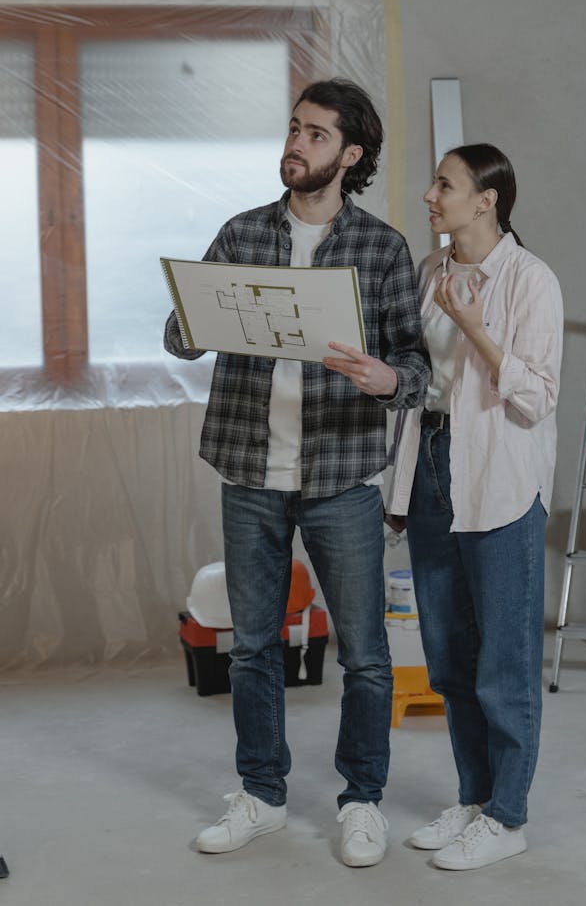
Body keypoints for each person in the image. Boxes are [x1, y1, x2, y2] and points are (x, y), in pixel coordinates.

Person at [164, 78, 430, 867]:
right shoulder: (241, 233)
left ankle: (362, 799)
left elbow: (414, 365)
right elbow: (180, 337)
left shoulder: (381, 248)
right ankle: (261, 794)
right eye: (293, 128)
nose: (296, 144)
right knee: (251, 646)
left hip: (343, 476)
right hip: (250, 470)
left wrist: (387, 379)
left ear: (349, 155)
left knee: (365, 652)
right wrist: (193, 320)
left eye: (315, 135)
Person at [387, 143, 563, 871]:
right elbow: (423, 385)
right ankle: (473, 796)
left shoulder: (531, 279)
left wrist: (475, 328)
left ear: (487, 199)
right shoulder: (433, 272)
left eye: (445, 184)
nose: (431, 196)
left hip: (498, 476)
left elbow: (536, 395)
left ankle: (509, 814)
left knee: (506, 660)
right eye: (435, 183)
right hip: (432, 466)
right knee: (451, 658)